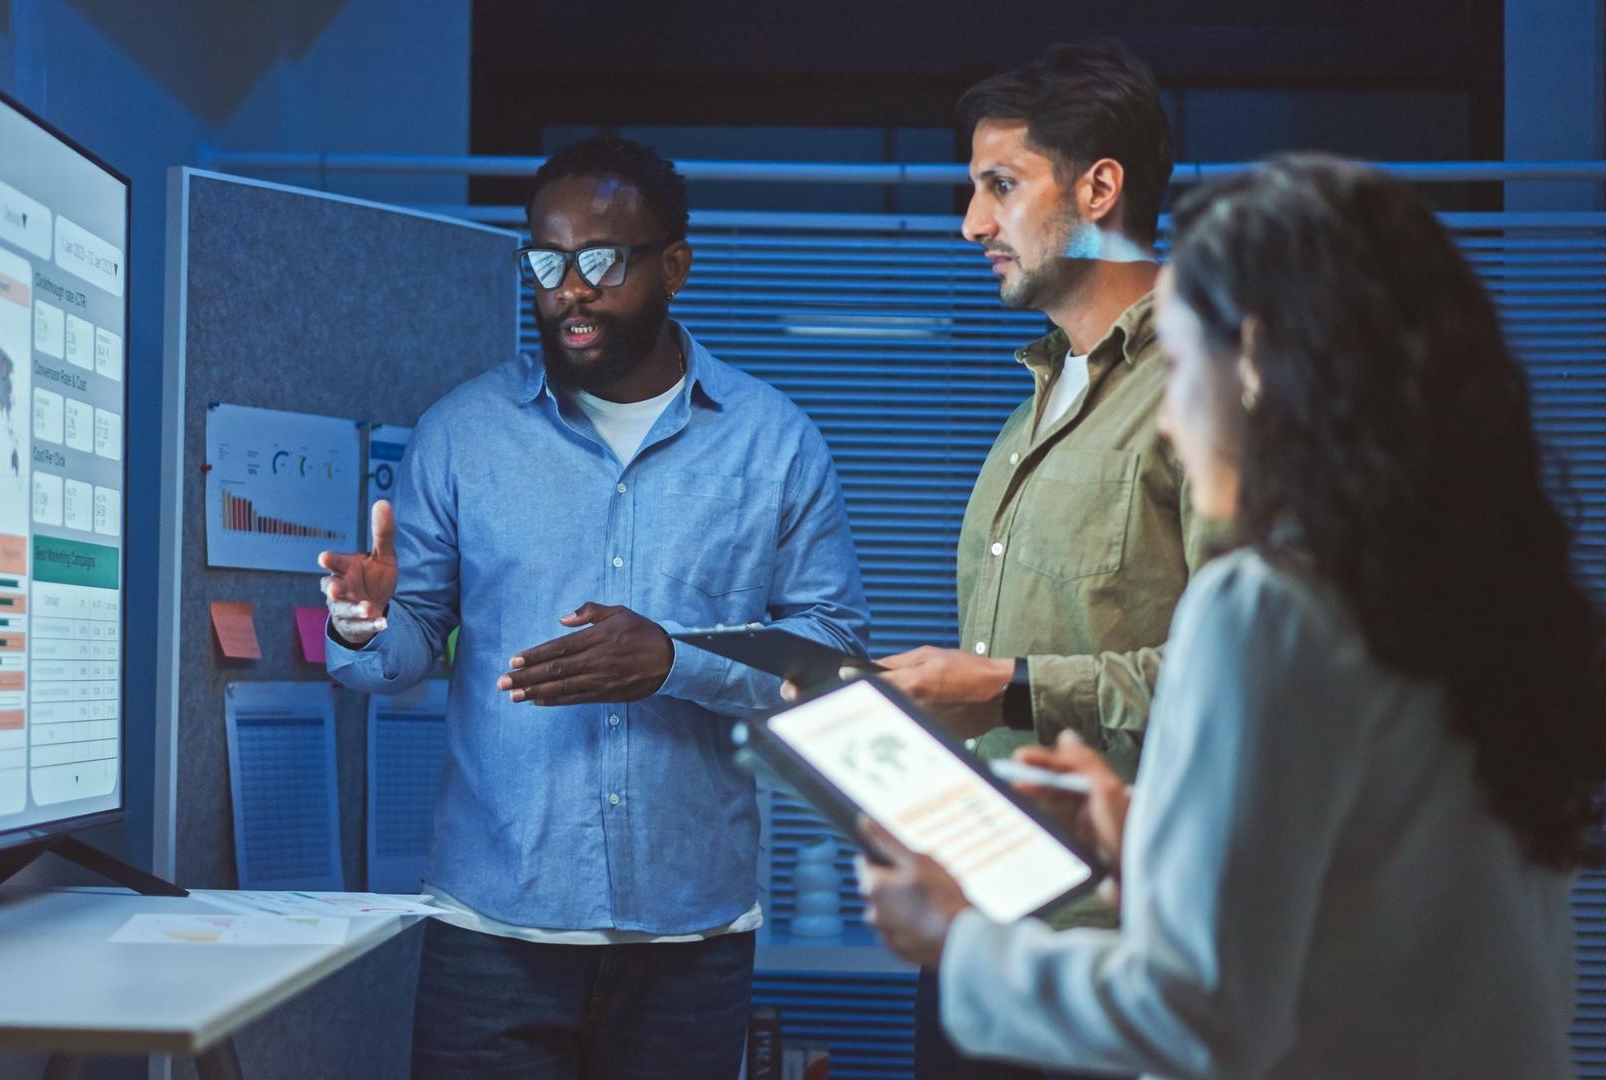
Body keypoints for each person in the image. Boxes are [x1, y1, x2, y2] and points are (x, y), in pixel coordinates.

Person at [860, 154, 1604, 1079]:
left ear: (1252, 359)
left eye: (1179, 360)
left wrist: (959, 938)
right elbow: (1386, 899)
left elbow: (1200, 1020)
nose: (1170, 420)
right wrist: (1152, 842)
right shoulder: (1486, 595)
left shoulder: (1266, 605)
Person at [321, 137, 869, 1080]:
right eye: (546, 259)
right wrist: (363, 620)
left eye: (601, 260)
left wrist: (673, 661)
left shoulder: (774, 445)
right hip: (493, 928)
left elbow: (833, 657)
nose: (567, 288)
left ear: (676, 265)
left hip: (689, 936)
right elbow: (405, 647)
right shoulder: (463, 435)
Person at [872, 41, 1212, 1079]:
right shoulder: (1037, 402)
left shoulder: (1204, 396)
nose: (973, 224)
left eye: (1001, 186)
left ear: (1099, 188)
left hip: (1111, 955)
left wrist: (1011, 687)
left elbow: (1245, 682)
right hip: (982, 923)